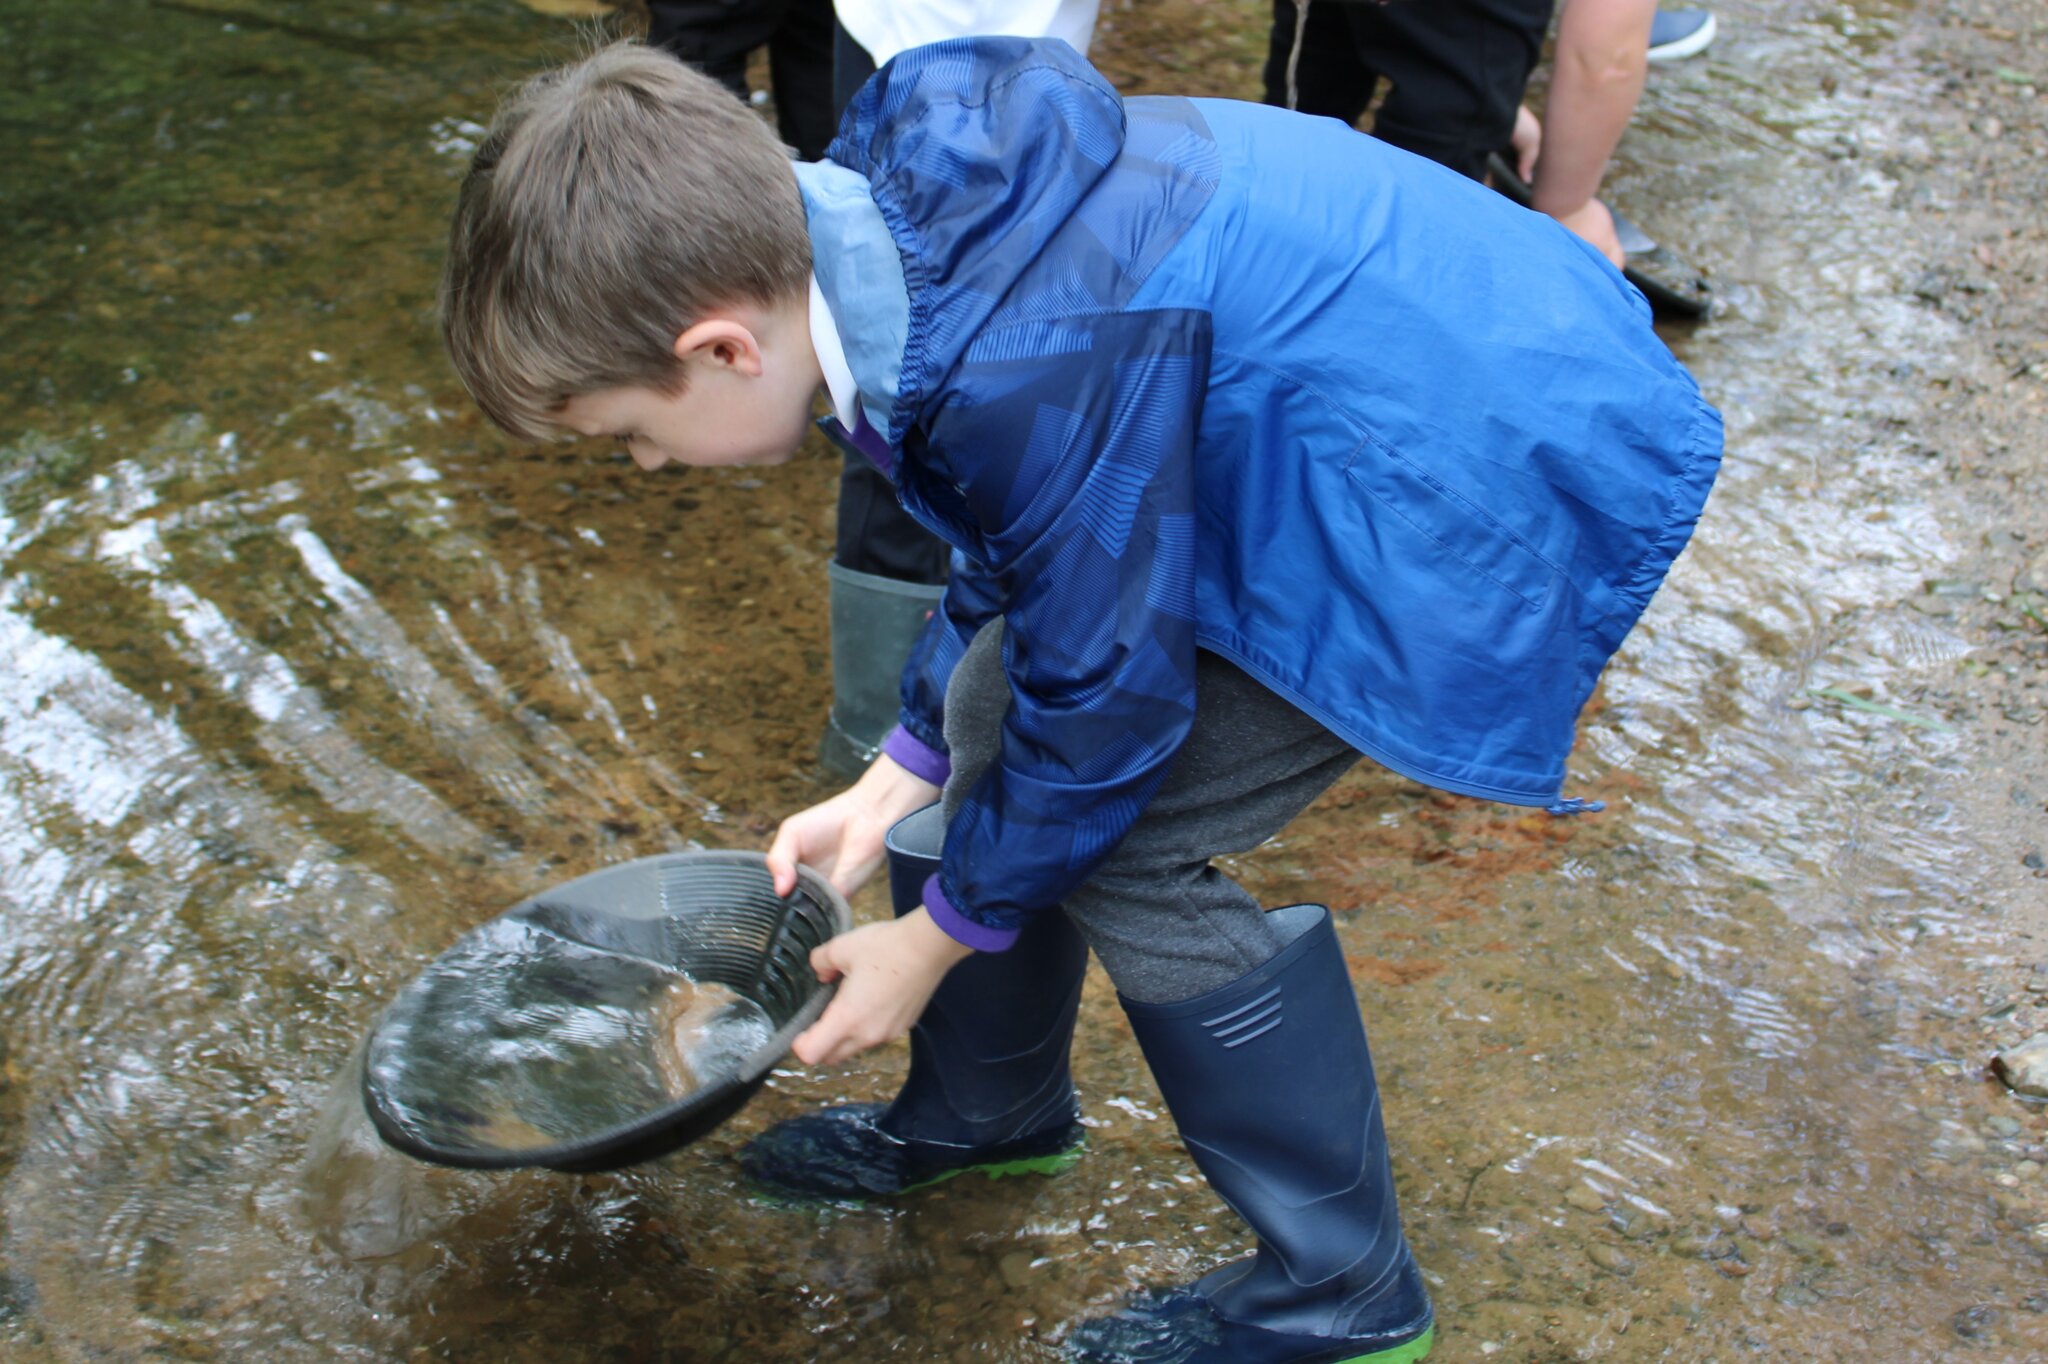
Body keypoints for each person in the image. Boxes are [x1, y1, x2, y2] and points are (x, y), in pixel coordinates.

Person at [440, 37, 1722, 1363]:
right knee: (1004, 726)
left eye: (630, 435)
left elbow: (1107, 704)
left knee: (1136, 840)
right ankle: (989, 1117)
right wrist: (903, 768)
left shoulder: (1020, 355)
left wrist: (937, 934)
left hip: (1473, 475)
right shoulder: (895, 218)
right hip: (1375, 397)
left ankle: (1341, 1291)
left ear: (719, 346)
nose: (647, 465)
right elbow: (1030, 544)